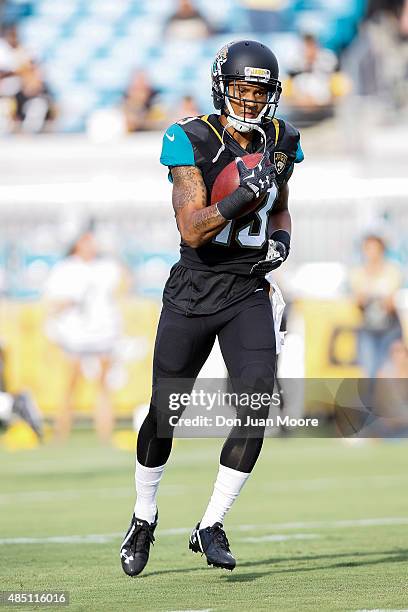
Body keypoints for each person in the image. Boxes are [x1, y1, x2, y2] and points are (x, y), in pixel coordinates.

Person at [120, 39, 303, 576]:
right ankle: (144, 515)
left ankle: (212, 523)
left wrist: (282, 243)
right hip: (193, 291)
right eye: (243, 89)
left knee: (255, 403)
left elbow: (283, 209)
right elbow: (193, 228)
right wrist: (239, 197)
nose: (250, 100)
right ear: (223, 85)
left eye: (260, 90)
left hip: (247, 289)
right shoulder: (191, 137)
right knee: (164, 414)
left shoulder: (282, 139)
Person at [44, 230, 125, 443]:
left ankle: (105, 436)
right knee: (70, 385)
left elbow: (123, 287)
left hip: (103, 334)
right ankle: (60, 435)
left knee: (103, 386)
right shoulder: (65, 268)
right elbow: (53, 302)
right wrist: (68, 301)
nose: (92, 246)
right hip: (75, 336)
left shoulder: (106, 267)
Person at [350, 234, 403, 379]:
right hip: (368, 329)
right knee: (369, 372)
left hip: (390, 330)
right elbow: (358, 301)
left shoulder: (392, 270)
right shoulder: (358, 272)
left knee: (389, 371)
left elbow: (390, 304)